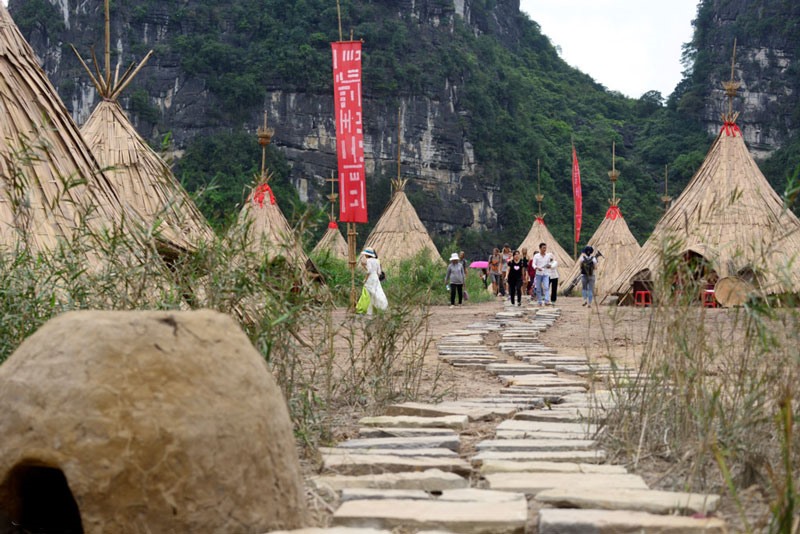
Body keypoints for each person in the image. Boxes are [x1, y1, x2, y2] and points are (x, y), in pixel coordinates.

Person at [359, 248, 388, 315]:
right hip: (376, 278)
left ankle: (364, 308)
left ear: (367, 254)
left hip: (370, 278)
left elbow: (368, 271)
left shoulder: (368, 261)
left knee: (368, 293)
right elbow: (379, 272)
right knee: (377, 292)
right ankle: (380, 306)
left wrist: (365, 280)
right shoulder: (377, 261)